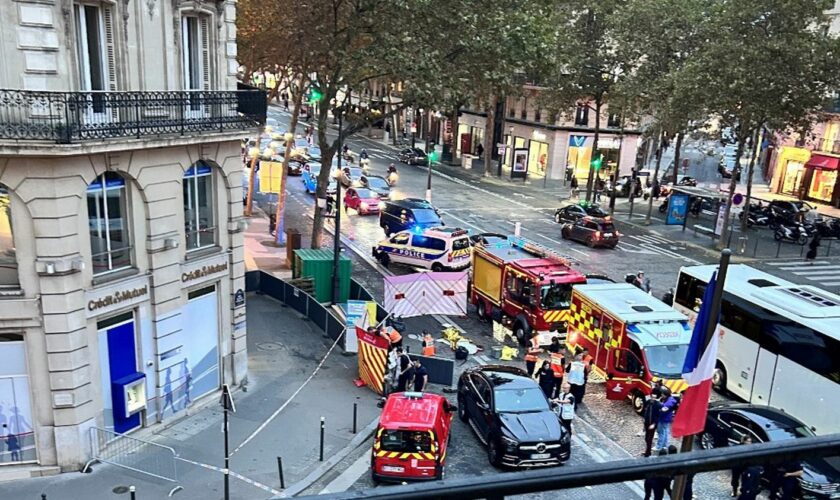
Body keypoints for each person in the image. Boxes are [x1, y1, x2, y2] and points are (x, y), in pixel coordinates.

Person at [641, 389, 662, 457]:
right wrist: (644, 420)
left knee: (649, 439)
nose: (653, 399)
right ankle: (648, 450)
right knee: (646, 438)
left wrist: (654, 424)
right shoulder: (648, 402)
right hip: (647, 423)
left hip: (652, 424)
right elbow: (645, 411)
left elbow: (658, 416)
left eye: (654, 397)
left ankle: (647, 452)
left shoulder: (658, 405)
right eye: (652, 397)